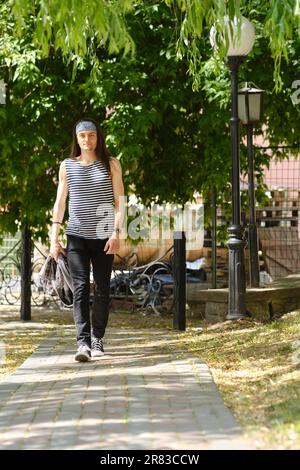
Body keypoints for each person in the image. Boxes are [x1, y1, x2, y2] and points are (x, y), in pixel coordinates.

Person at [49, 118, 125, 362]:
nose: (87, 140)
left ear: (98, 137)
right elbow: (60, 203)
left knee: (102, 289)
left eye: (91, 135)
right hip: (77, 236)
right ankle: (83, 343)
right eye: (82, 136)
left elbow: (120, 202)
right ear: (77, 139)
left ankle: (97, 339)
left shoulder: (111, 164)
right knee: (80, 287)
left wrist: (116, 232)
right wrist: (54, 237)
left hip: (104, 236)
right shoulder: (67, 166)